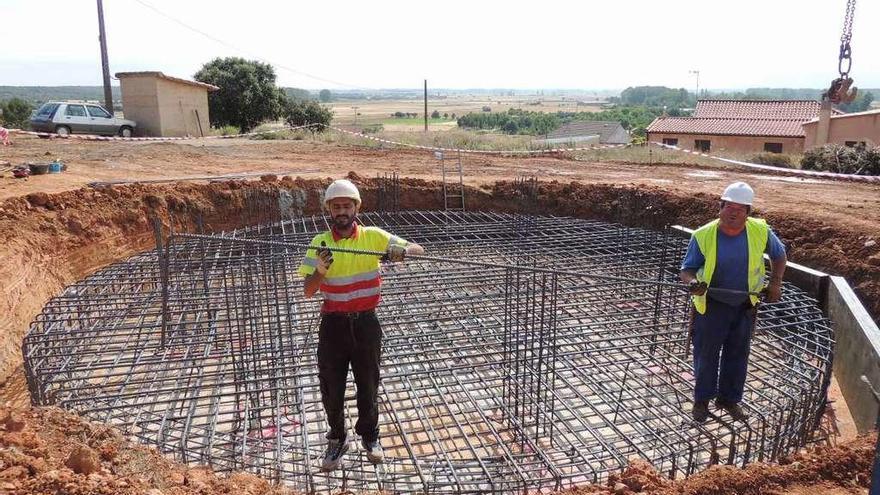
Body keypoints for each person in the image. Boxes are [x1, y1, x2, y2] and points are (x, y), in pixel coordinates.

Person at [299, 179, 425, 472]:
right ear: (329, 210)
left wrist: (401, 252)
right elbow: (308, 290)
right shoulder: (319, 243)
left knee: (368, 384)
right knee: (332, 387)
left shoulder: (374, 237)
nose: (342, 211)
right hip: (333, 325)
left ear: (356, 207)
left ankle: (370, 436)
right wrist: (320, 271)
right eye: (336, 206)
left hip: (367, 323)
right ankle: (338, 438)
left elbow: (419, 249)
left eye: (347, 205)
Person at [679, 181, 787, 423]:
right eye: (729, 207)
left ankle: (729, 399)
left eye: (740, 209)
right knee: (707, 354)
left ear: (748, 213)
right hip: (712, 305)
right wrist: (692, 283)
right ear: (721, 207)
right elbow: (687, 270)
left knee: (738, 353)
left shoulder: (760, 231)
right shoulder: (703, 234)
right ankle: (702, 400)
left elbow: (779, 256)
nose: (733, 213)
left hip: (744, 305)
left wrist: (776, 282)